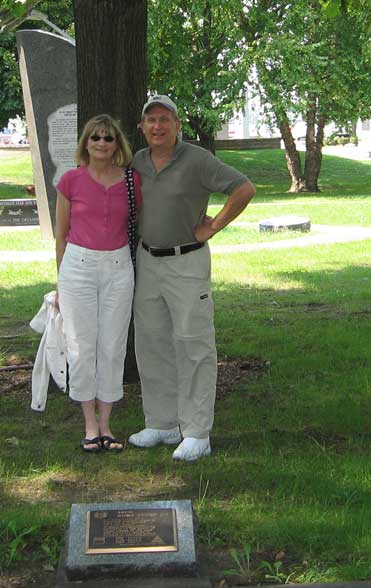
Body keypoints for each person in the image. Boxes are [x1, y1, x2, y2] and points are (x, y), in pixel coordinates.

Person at [128, 95, 256, 462]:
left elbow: (243, 188)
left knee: (193, 345)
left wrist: (213, 226)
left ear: (177, 125)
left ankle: (198, 432)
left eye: (164, 119)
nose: (157, 126)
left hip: (187, 262)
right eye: (150, 120)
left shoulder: (197, 159)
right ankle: (162, 423)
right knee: (152, 345)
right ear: (142, 128)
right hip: (147, 261)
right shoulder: (137, 162)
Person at [55, 114, 141, 453]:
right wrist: (60, 283)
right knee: (81, 346)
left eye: (108, 138)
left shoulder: (133, 183)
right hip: (78, 266)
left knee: (113, 345)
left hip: (119, 267)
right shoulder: (70, 181)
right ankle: (89, 424)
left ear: (117, 144)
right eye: (96, 138)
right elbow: (60, 236)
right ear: (86, 143)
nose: (102, 143)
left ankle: (107, 424)